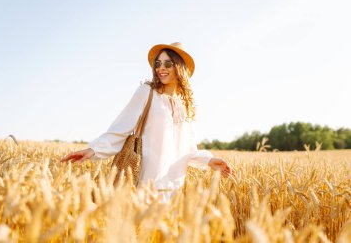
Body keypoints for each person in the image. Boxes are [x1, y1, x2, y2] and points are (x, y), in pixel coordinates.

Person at [61, 42, 233, 203]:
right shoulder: (147, 92)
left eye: (167, 64)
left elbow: (187, 150)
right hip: (144, 182)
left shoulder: (184, 107)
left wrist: (209, 161)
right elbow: (120, 129)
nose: (161, 69)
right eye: (158, 64)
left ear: (179, 67)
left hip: (172, 188)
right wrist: (93, 150)